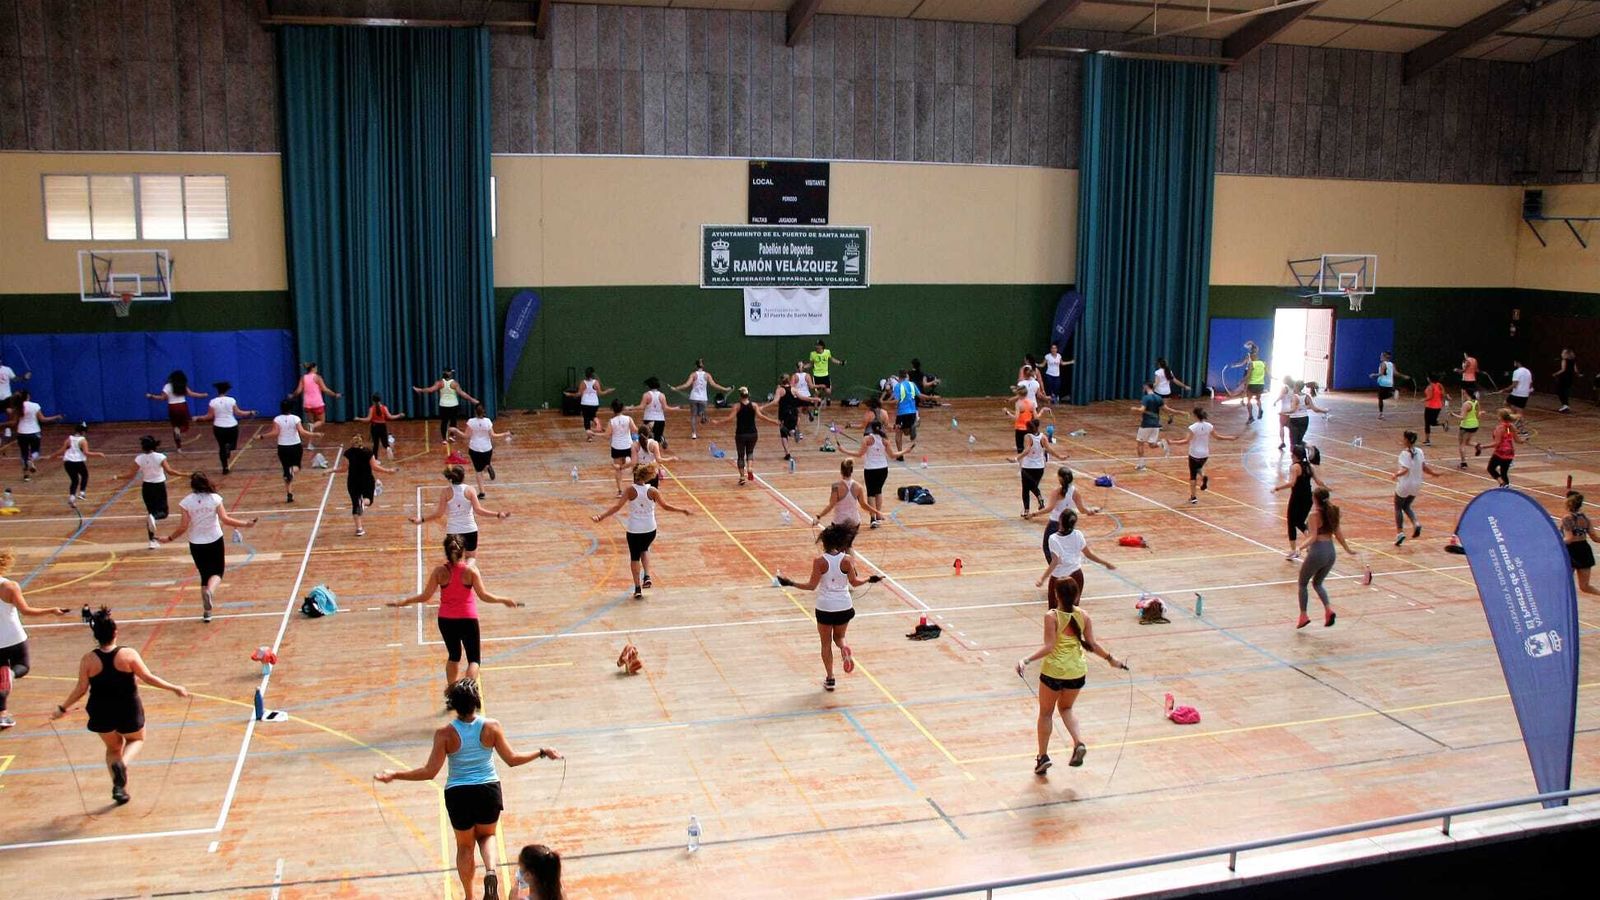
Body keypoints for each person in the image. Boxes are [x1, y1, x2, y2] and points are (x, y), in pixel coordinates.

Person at [374, 679, 561, 900]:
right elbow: (512, 759)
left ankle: (469, 896)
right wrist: (541, 751)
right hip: (488, 790)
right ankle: (491, 870)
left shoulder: (444, 734)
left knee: (464, 846)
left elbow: (429, 772)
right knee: (487, 835)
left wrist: (395, 775)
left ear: (454, 704)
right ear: (476, 701)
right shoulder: (492, 726)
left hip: (458, 793)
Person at [49, 607, 188, 803]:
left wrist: (62, 709)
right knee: (137, 739)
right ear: (115, 632)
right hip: (127, 708)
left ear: (96, 636)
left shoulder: (88, 659)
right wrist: (174, 687)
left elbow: (81, 688)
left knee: (113, 748)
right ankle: (122, 764)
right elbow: (148, 677)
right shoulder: (128, 654)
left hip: (100, 710)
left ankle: (118, 787)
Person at [1015, 578, 1126, 775]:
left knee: (1046, 713)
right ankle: (1078, 742)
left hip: (1054, 671)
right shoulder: (1084, 615)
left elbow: (1049, 647)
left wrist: (1026, 660)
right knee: (1066, 708)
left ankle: (1043, 757)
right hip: (1077, 671)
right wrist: (1111, 659)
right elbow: (1092, 645)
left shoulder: (1052, 616)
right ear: (1077, 595)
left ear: (1056, 595)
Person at [388, 535, 523, 685]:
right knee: (474, 659)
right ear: (463, 551)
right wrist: (504, 600)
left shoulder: (439, 572)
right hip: (468, 619)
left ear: (446, 551)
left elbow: (425, 596)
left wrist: (405, 601)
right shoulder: (471, 571)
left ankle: (452, 693)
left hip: (446, 620)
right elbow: (484, 596)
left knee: (454, 656)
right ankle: (467, 690)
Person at [776, 523, 881, 692]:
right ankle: (844, 648)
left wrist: (790, 583)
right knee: (839, 637)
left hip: (825, 607)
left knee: (825, 644)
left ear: (824, 542)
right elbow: (854, 582)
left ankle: (830, 678)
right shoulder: (847, 560)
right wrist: (870, 579)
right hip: (844, 605)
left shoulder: (819, 562)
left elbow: (811, 586)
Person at [160, 471, 259, 622]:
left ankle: (207, 612)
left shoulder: (186, 502)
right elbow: (225, 519)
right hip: (214, 540)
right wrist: (246, 524)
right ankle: (210, 592)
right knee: (217, 572)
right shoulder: (215, 499)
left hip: (196, 543)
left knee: (204, 575)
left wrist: (169, 538)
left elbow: (183, 526)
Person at [592, 463, 693, 599]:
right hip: (650, 529)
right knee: (644, 549)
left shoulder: (629, 490)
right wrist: (682, 510)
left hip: (634, 530)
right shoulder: (653, 491)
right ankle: (647, 575)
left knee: (634, 557)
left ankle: (637, 588)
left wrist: (601, 517)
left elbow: (617, 507)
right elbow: (666, 506)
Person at [1, 549, 71, 730]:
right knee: (21, 667)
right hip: (14, 637)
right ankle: (11, 675)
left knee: (1, 677)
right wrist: (51, 610)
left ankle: (2, 714)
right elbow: (26, 610)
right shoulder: (9, 587)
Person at [1293, 488, 1362, 628]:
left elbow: (1313, 537)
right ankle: (1328, 610)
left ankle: (1303, 615)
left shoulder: (1314, 515)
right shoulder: (1334, 512)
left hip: (1318, 551)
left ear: (1315, 499)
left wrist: (1299, 547)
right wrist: (1347, 549)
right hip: (1331, 552)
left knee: (1302, 583)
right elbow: (1338, 533)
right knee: (1318, 583)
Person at [411, 466, 511, 562]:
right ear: (463, 477)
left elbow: (439, 514)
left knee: (453, 561)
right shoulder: (470, 490)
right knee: (470, 560)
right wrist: (497, 514)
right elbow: (479, 510)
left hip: (453, 532)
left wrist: (422, 520)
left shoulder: (446, 492)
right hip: (470, 530)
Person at [1035, 509, 1116, 600]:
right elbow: (1089, 554)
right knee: (1073, 609)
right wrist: (1106, 563)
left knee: (1054, 611)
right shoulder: (1078, 534)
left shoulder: (1053, 538)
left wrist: (1042, 578)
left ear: (1060, 521)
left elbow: (1055, 562)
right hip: (1076, 574)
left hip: (1059, 577)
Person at [327, 433, 398, 537]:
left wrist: (331, 470)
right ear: (361, 442)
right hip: (367, 480)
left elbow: (343, 469)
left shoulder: (348, 453)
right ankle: (363, 503)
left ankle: (359, 529)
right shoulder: (368, 452)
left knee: (355, 504)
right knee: (368, 499)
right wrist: (388, 471)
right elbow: (375, 467)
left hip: (353, 481)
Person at [1025, 468, 1100, 560]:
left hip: (1055, 523)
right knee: (1065, 547)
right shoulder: (1075, 491)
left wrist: (1033, 514)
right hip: (1068, 524)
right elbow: (1082, 509)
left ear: (1060, 478)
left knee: (1047, 547)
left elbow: (1049, 508)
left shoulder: (1056, 491)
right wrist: (1090, 511)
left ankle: (1057, 569)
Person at [1166, 407, 1237, 505]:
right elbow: (1218, 437)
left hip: (1194, 454)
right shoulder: (1209, 426)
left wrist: (1172, 442)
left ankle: (1193, 497)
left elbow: (1186, 441)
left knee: (1193, 475)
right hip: (1204, 454)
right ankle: (1203, 476)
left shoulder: (1193, 427)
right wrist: (1230, 438)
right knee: (1198, 468)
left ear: (1195, 415)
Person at [126, 436, 186, 549]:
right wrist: (185, 475)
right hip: (159, 486)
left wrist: (116, 477)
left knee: (150, 513)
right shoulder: (160, 457)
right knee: (163, 513)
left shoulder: (139, 458)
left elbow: (130, 475)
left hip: (147, 488)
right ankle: (154, 518)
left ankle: (152, 541)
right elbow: (170, 471)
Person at [717, 387, 779, 487]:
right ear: (748, 395)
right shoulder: (754, 405)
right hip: (753, 433)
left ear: (740, 395)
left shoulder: (737, 406)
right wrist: (774, 422)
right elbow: (761, 417)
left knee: (740, 456)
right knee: (750, 452)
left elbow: (729, 419)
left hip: (741, 434)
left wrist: (718, 422)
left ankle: (742, 477)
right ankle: (750, 468)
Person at [1273, 443, 1325, 561]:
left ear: (1295, 455)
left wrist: (1278, 488)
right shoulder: (1309, 466)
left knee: (1292, 521)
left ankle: (1295, 550)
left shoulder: (1295, 467)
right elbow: (1318, 481)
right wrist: (1327, 487)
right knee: (1300, 521)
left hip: (1297, 497)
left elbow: (1292, 483)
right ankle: (1310, 541)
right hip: (1308, 498)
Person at [450, 403, 512, 500]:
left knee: (478, 471)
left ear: (475, 411)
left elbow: (466, 436)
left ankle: (482, 492)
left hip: (475, 449)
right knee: (484, 465)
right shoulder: (487, 421)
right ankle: (487, 466)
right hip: (487, 449)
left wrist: (456, 430)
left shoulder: (471, 422)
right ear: (484, 412)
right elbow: (493, 435)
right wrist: (505, 433)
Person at [1391, 430, 1443, 546]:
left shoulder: (1404, 454)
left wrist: (1396, 475)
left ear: (1406, 440)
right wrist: (1434, 474)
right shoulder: (1420, 451)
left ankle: (1400, 532)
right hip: (1417, 484)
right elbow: (1424, 467)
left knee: (1398, 507)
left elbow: (1405, 470)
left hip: (1404, 484)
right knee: (1407, 505)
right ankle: (1416, 523)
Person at [193, 382, 255, 474]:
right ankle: (229, 447)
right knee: (233, 445)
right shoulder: (231, 400)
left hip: (219, 427)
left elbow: (209, 416)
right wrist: (250, 412)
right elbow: (238, 413)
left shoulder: (213, 402)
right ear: (227, 390)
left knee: (221, 447)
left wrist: (198, 418)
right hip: (232, 425)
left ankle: (225, 468)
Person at [855, 420, 907, 529]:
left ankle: (873, 518)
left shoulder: (867, 439)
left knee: (871, 494)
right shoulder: (885, 440)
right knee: (878, 492)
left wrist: (844, 451)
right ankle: (878, 515)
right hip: (883, 469)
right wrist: (905, 451)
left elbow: (859, 454)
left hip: (870, 469)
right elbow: (893, 455)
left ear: (871, 428)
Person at [146, 370, 207, 451]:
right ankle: (180, 431)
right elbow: (191, 394)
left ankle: (179, 448)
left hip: (172, 407)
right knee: (185, 425)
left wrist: (151, 396)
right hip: (182, 406)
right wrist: (203, 395)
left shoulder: (167, 386)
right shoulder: (183, 385)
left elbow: (162, 398)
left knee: (175, 426)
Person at [269, 399, 316, 504]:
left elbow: (275, 432)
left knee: (286, 470)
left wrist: (262, 436)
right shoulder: (295, 418)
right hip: (295, 446)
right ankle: (291, 473)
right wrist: (314, 434)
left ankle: (289, 494)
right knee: (296, 467)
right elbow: (302, 432)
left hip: (282, 447)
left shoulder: (277, 419)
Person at [8, 390, 60, 481]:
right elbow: (43, 419)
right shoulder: (35, 406)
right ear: (28, 396)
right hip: (34, 432)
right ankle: (31, 460)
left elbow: (14, 422)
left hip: (21, 432)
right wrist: (55, 417)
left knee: (23, 453)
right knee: (35, 451)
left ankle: (26, 476)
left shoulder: (19, 406)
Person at [590, 399, 639, 496]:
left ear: (613, 409)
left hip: (616, 447)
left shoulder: (612, 421)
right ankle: (637, 487)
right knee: (635, 464)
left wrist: (594, 433)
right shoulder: (628, 419)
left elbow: (607, 434)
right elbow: (635, 430)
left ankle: (620, 491)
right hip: (628, 445)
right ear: (623, 408)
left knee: (618, 469)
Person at [415, 368, 477, 444]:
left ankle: (444, 439)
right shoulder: (454, 383)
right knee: (453, 421)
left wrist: (420, 390)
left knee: (444, 422)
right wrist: (472, 400)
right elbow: (462, 394)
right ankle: (451, 436)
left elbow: (430, 390)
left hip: (443, 405)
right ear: (450, 374)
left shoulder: (439, 383)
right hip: (453, 405)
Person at [51, 422, 106, 507]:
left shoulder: (69, 439)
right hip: (78, 462)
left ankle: (72, 497)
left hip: (68, 463)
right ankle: (82, 492)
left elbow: (62, 450)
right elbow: (86, 453)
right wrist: (98, 454)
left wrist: (53, 456)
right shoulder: (83, 440)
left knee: (74, 480)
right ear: (83, 431)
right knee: (85, 475)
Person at [814, 459, 876, 529]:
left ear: (841, 471)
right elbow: (863, 505)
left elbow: (831, 505)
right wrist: (877, 512)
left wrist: (819, 516)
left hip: (839, 522)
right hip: (854, 522)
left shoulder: (836, 487)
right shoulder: (858, 487)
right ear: (852, 471)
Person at [674, 360, 729, 439]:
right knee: (701, 413)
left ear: (696, 366)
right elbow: (714, 384)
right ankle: (702, 414)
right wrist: (725, 389)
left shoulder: (693, 374)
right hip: (703, 398)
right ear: (703, 366)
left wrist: (676, 388)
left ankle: (693, 434)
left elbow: (686, 385)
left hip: (693, 397)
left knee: (693, 416)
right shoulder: (707, 375)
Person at [1007, 418, 1049, 516]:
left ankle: (1027, 510)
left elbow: (1027, 450)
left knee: (1026, 488)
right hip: (1040, 466)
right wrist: (1059, 456)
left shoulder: (1028, 437)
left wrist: (1016, 458)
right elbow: (1049, 449)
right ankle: (1040, 498)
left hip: (1028, 466)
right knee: (1033, 486)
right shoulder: (1043, 437)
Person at [288, 362, 339, 440]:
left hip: (307, 404)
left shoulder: (303, 378)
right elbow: (325, 389)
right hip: (317, 403)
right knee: (321, 421)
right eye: (316, 368)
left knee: (310, 423)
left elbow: (298, 391)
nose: (317, 369)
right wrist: (335, 395)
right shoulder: (317, 377)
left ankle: (310, 443)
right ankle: (313, 426)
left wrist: (292, 395)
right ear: (313, 368)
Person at [1561, 492, 1597, 596]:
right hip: (1584, 550)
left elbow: (1569, 538)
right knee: (1585, 586)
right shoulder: (1585, 519)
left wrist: (1556, 543)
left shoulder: (1567, 518)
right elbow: (1594, 537)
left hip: (1571, 551)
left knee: (1565, 583)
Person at [354, 393, 404, 461]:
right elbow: (390, 417)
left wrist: (359, 419)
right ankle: (388, 448)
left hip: (374, 427)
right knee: (385, 443)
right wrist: (399, 415)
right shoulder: (384, 408)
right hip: (383, 427)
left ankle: (376, 460)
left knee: (375, 444)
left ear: (373, 401)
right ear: (380, 400)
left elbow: (368, 419)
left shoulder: (372, 408)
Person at [1130, 382, 1167, 471]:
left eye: (1144, 386)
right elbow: (1166, 409)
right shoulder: (1159, 398)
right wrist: (1178, 412)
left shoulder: (1146, 398)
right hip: (1156, 425)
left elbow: (1142, 409)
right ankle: (1161, 443)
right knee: (1151, 444)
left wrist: (1135, 409)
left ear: (1147, 387)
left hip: (1146, 424)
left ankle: (1141, 465)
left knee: (1140, 443)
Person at [1485, 407, 1524, 487]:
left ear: (1501, 417)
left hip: (1501, 452)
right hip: (1509, 452)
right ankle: (1506, 487)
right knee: (1504, 472)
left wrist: (1483, 446)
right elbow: (1518, 440)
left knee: (1491, 468)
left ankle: (1502, 483)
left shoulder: (1500, 428)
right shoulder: (1510, 427)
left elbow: (1497, 443)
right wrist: (1524, 440)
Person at [636, 377, 680, 447]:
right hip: (660, 420)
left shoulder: (646, 395)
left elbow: (641, 407)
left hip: (649, 419)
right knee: (657, 440)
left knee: (648, 438)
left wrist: (630, 408)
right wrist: (675, 408)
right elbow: (666, 408)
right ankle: (660, 442)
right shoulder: (662, 395)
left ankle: (651, 453)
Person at [1288, 380, 1326, 450]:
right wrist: (1324, 411)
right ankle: (1309, 447)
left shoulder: (1294, 397)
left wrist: (1283, 412)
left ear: (1296, 387)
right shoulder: (1307, 396)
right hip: (1304, 419)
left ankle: (1297, 455)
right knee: (1299, 440)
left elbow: (1293, 410)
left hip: (1295, 419)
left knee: (1293, 442)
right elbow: (1314, 409)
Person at [775, 374, 805, 461]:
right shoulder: (793, 389)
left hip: (783, 413)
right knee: (792, 426)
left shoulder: (780, 390)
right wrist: (813, 399)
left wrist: (764, 406)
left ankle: (787, 453)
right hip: (793, 412)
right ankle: (794, 431)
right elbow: (802, 398)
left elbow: (775, 401)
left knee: (783, 434)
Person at [807, 340, 844, 406]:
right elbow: (810, 364)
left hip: (825, 375)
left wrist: (840, 362)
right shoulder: (812, 354)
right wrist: (803, 366)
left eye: (818, 345)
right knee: (817, 393)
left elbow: (832, 359)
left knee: (828, 391)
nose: (816, 346)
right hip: (816, 376)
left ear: (822, 346)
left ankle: (825, 398)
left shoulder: (827, 352)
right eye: (816, 345)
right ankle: (816, 408)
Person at [891, 369, 920, 452]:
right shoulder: (912, 384)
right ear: (906, 376)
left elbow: (896, 402)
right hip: (913, 412)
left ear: (899, 376)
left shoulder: (898, 386)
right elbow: (920, 395)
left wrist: (884, 402)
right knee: (906, 432)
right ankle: (911, 427)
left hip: (902, 413)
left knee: (898, 432)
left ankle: (900, 455)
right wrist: (931, 397)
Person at [1152, 357, 1190, 421]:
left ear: (1158, 364)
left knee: (1157, 408)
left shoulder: (1157, 372)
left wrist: (1149, 387)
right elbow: (1175, 381)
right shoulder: (1169, 371)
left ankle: (1158, 424)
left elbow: (1156, 383)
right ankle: (1170, 415)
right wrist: (1185, 386)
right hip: (1167, 393)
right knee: (1163, 407)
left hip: (1158, 392)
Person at [1452, 389, 1481, 469]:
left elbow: (1462, 417)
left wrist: (1453, 414)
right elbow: (1478, 415)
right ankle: (1477, 445)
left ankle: (1463, 462)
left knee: (1462, 444)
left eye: (1464, 393)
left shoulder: (1466, 404)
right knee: (1467, 442)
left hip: (1466, 426)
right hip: (1475, 425)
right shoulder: (1476, 402)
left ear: (1466, 394)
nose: (1463, 395)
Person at [1370, 351, 1403, 419]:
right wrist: (1404, 376)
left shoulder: (1383, 364)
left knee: (1380, 399)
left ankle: (1381, 414)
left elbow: (1381, 373)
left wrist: (1374, 375)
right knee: (1383, 396)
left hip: (1383, 383)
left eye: (1381, 356)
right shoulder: (1392, 364)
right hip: (1390, 383)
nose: (1380, 357)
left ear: (1384, 357)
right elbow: (1396, 373)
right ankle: (1393, 392)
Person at [1421, 373, 1447, 445]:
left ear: (1429, 379)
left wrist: (1423, 399)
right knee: (1432, 422)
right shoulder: (1439, 385)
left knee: (1427, 423)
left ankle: (1427, 440)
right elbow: (1443, 394)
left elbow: (1430, 397)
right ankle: (1442, 424)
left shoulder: (1430, 387)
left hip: (1430, 406)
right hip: (1438, 406)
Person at [1272, 376, 1297, 451]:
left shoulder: (1285, 387)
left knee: (1281, 426)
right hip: (1292, 408)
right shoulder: (1294, 388)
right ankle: (1293, 442)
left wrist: (1275, 401)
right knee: (1291, 427)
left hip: (1284, 409)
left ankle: (1282, 442)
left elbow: (1281, 396)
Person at [1243, 350, 1267, 422]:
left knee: (1249, 400)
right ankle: (1260, 409)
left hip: (1252, 384)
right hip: (1261, 384)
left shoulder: (1252, 364)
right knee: (1258, 399)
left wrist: (1242, 382)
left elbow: (1248, 376)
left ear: (1252, 357)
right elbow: (1267, 372)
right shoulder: (1263, 363)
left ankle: (1250, 417)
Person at [1554, 349, 1580, 414]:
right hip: (1570, 378)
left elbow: (1563, 369)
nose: (1561, 354)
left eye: (1562, 353)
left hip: (1564, 377)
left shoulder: (1564, 360)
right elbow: (1576, 370)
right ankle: (1566, 405)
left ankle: (1565, 405)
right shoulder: (1573, 361)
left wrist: (1555, 374)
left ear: (1566, 354)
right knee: (1565, 391)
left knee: (1560, 391)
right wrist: (1578, 374)